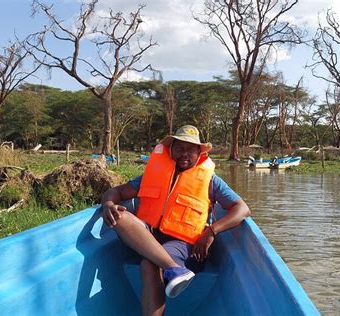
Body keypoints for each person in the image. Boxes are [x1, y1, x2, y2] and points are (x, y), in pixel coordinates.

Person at [101, 125, 251, 316]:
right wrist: (108, 204)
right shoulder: (154, 175)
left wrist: (211, 231)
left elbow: (242, 208)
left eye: (190, 149)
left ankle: (172, 268)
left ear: (199, 153)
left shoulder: (211, 181)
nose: (184, 154)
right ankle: (174, 270)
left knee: (149, 265)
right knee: (120, 216)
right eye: (180, 148)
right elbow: (117, 192)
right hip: (150, 236)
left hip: (187, 246)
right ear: (171, 149)